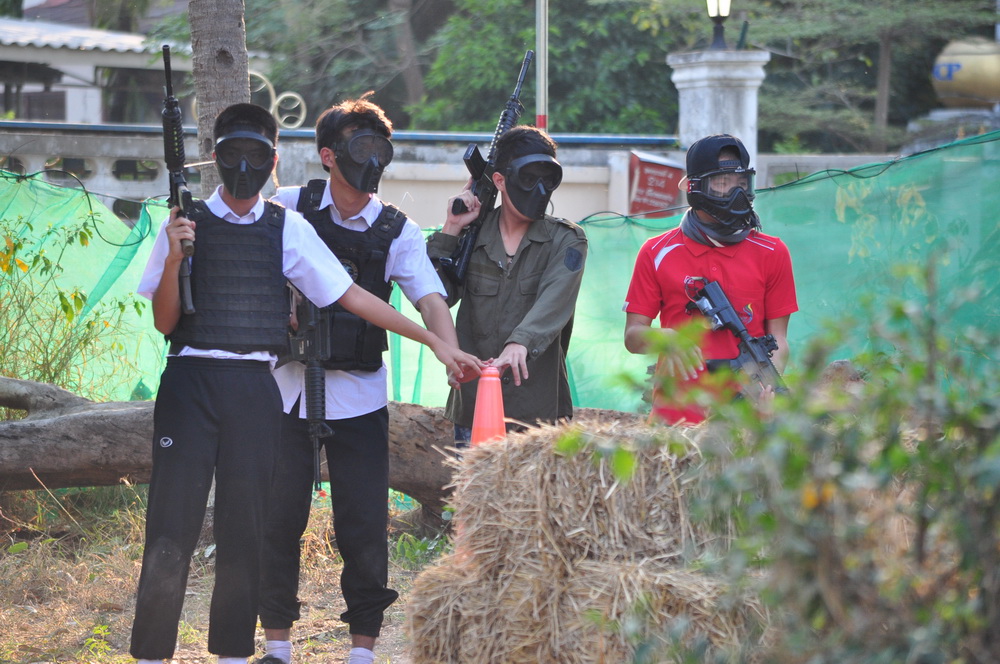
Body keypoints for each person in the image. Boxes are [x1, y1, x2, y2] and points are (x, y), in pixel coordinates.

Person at [130, 103, 480, 664]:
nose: (244, 168)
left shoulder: (315, 226)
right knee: (214, 527)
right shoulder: (231, 215)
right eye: (232, 155)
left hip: (302, 389)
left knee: (301, 528)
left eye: (256, 157)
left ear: (273, 161)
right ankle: (206, 650)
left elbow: (370, 296)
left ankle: (289, 652)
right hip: (231, 384)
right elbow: (168, 320)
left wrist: (439, 343)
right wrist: (177, 257)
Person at [254, 95, 462, 664]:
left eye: (380, 149)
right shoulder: (288, 207)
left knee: (364, 527)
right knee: (277, 519)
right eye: (359, 147)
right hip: (285, 392)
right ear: (328, 155)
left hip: (360, 398)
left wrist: (448, 349)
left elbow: (430, 298)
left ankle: (362, 650)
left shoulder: (397, 229)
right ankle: (277, 645)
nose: (372, 160)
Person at [427, 125, 588, 443]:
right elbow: (434, 296)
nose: (539, 189)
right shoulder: (472, 236)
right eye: (529, 178)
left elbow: (555, 299)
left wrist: (521, 343)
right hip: (474, 407)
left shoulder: (567, 240)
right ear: (500, 180)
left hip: (539, 414)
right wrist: (452, 228)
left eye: (548, 179)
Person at [623, 133, 798, 424]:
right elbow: (632, 337)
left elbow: (779, 338)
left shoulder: (772, 251)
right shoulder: (655, 252)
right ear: (695, 187)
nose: (736, 193)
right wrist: (665, 338)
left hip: (747, 421)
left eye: (742, 183)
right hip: (675, 422)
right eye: (722, 183)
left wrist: (769, 385)